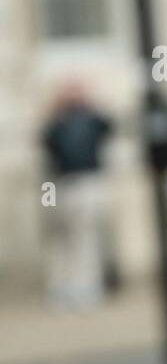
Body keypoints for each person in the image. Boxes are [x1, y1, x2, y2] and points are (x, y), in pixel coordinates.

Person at [40, 79, 115, 310]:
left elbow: (109, 126)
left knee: (87, 237)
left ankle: (87, 286)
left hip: (88, 181)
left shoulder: (92, 118)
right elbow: (47, 143)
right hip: (61, 183)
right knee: (61, 238)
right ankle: (63, 287)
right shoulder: (57, 121)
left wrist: (92, 101)